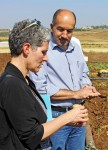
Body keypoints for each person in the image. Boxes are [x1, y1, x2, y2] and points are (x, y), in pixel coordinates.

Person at [0, 19, 89, 150]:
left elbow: (30, 123)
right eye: (43, 52)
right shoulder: (13, 84)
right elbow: (32, 136)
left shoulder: (23, 80)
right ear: (26, 48)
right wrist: (68, 116)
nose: (46, 58)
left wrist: (68, 120)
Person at [29, 9, 100, 150]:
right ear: (51, 26)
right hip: (55, 116)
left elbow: (84, 73)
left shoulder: (76, 47)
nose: (65, 35)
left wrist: (86, 86)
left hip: (78, 113)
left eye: (69, 31)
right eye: (60, 29)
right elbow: (40, 89)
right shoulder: (42, 50)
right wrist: (76, 94)